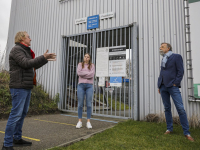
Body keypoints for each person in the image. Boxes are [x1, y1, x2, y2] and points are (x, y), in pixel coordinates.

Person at [2, 31, 56, 150]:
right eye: (28, 37)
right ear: (22, 38)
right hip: (18, 87)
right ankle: (7, 144)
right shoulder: (16, 49)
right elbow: (26, 63)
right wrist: (43, 57)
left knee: (22, 114)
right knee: (15, 114)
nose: (30, 39)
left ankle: (17, 138)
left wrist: (44, 59)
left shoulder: (25, 51)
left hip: (26, 86)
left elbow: (32, 65)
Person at [157, 43, 194, 142]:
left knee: (180, 108)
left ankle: (186, 132)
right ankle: (169, 128)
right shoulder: (164, 58)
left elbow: (180, 71)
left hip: (173, 87)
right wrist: (159, 85)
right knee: (167, 108)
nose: (160, 48)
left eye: (162, 47)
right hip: (163, 86)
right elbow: (162, 72)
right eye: (160, 47)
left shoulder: (176, 57)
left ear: (168, 48)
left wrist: (175, 83)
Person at [76, 53, 95, 129]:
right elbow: (79, 73)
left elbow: (92, 75)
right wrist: (87, 73)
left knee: (89, 104)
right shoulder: (80, 64)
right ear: (83, 57)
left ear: (89, 58)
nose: (86, 58)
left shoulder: (92, 65)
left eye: (88, 57)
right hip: (80, 86)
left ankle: (88, 122)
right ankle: (80, 121)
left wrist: (84, 74)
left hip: (89, 86)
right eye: (85, 56)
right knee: (80, 104)